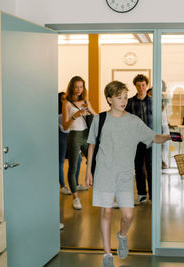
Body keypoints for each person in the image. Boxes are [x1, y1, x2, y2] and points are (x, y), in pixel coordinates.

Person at [86, 81, 170, 267]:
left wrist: (169, 136)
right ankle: (107, 254)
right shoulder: (99, 119)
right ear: (109, 99)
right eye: (119, 97)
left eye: (125, 97)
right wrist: (88, 172)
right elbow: (91, 145)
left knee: (128, 216)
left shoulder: (133, 121)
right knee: (106, 212)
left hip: (124, 175)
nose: (124, 101)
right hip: (104, 173)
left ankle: (122, 235)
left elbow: (153, 137)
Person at [62, 76, 96, 210]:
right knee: (73, 167)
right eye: (76, 87)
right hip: (74, 135)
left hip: (87, 134)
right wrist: (74, 116)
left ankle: (103, 193)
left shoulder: (86, 101)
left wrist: (90, 110)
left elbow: (96, 116)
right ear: (71, 87)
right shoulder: (67, 103)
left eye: (81, 87)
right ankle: (75, 198)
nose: (78, 90)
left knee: (94, 162)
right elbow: (65, 126)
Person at [125, 74, 153, 203]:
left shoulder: (153, 101)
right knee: (138, 166)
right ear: (135, 86)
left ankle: (153, 195)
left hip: (151, 139)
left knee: (151, 166)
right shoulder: (130, 102)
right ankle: (141, 194)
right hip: (135, 140)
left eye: (143, 85)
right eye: (138, 85)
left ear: (146, 85)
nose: (141, 87)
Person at [58, 92, 85, 195]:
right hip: (63, 137)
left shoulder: (71, 107)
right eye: (63, 98)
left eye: (66, 98)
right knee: (61, 161)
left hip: (73, 136)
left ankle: (76, 184)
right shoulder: (60, 113)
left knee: (78, 160)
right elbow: (64, 126)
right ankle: (63, 186)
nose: (65, 100)